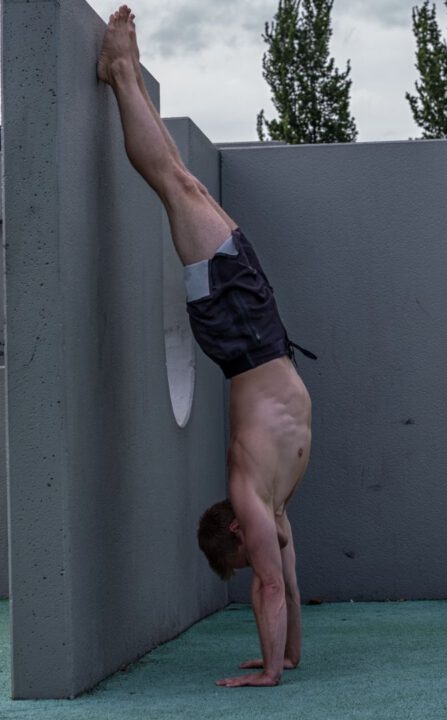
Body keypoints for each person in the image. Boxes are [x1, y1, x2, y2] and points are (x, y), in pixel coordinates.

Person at [97, 5, 313, 688]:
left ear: (236, 532)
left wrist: (268, 674)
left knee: (177, 185)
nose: (262, 564)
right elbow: (291, 587)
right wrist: (286, 659)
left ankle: (121, 75)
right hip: (256, 333)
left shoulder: (253, 498)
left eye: (247, 557)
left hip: (240, 333)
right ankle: (123, 74)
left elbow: (270, 591)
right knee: (183, 183)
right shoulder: (271, 512)